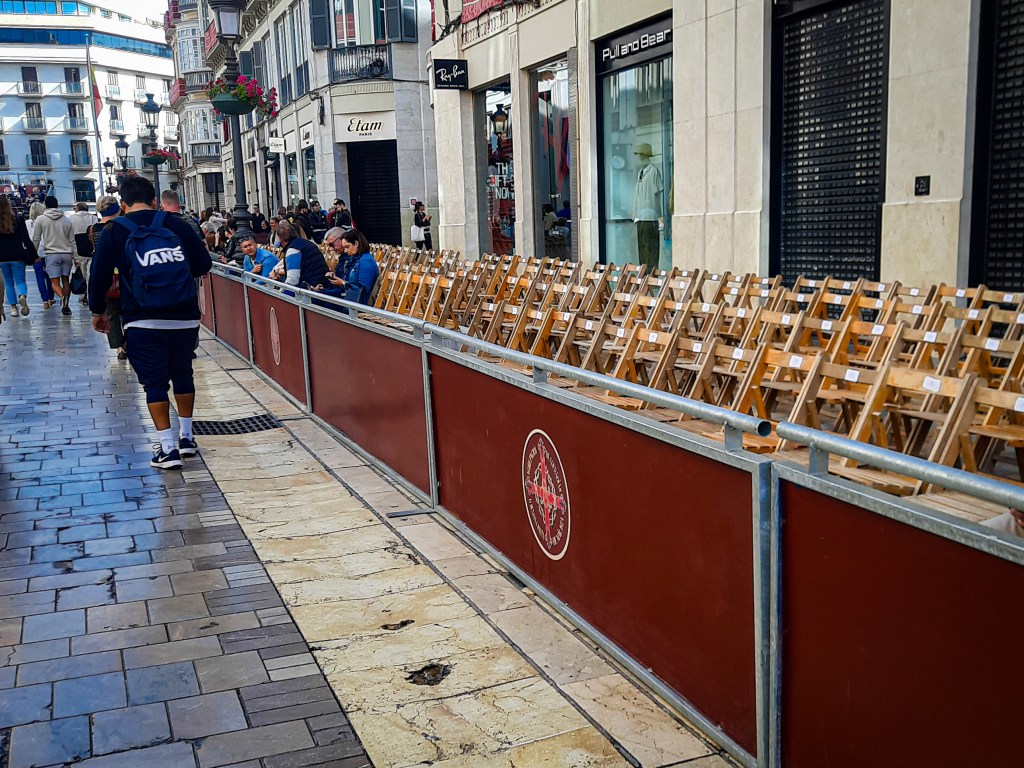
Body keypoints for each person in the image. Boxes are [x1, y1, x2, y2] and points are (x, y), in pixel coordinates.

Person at [88, 175, 212, 470]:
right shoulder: (177, 225)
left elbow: (99, 275)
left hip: (142, 320)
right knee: (183, 373)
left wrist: (98, 311)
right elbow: (203, 264)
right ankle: (186, 438)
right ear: (155, 200)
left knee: (154, 383)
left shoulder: (114, 230)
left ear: (123, 203)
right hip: (184, 318)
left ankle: (167, 449)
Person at [90, 196, 127, 360]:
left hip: (106, 275)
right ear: (118, 208)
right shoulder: (123, 227)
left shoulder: (93, 229)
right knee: (127, 310)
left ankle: (119, 347)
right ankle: (129, 340)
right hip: (124, 274)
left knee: (111, 313)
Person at [32, 196, 76, 315]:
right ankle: (66, 304)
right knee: (66, 280)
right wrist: (76, 257)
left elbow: (36, 238)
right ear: (57, 205)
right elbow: (72, 241)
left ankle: (62, 298)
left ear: (45, 206)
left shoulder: (41, 219)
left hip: (51, 254)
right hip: (67, 254)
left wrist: (33, 254)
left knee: (54, 283)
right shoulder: (67, 220)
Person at [269, 221, 333, 297]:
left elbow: (292, 280)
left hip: (313, 290)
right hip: (322, 285)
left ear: (280, 240)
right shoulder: (304, 243)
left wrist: (279, 294)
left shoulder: (293, 249)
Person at [0, 196, 36, 320]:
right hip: (17, 255)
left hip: (1, 257)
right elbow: (26, 239)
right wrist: (34, 255)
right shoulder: (17, 219)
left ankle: (13, 308)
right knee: (20, 281)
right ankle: (22, 296)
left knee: (8, 282)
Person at [325, 229, 379, 305]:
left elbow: (362, 289)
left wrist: (343, 283)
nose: (345, 251)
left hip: (356, 304)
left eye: (347, 247)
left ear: (356, 244)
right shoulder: (356, 259)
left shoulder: (366, 261)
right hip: (349, 298)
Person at [633, 142, 663, 273]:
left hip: (651, 217)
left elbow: (659, 195)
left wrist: (661, 218)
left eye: (641, 154)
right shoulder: (640, 173)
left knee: (651, 248)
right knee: (642, 248)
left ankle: (651, 275)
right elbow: (637, 196)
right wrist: (635, 215)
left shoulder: (654, 172)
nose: (639, 157)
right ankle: (644, 274)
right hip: (640, 217)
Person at [25, 201, 55, 309]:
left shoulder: (27, 223)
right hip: (48, 251)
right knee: (50, 275)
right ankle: (51, 296)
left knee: (39, 276)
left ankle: (45, 300)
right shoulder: (46, 221)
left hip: (35, 252)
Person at [69, 202, 97, 305]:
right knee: (91, 273)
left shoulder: (71, 218)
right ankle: (90, 294)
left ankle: (82, 295)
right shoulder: (93, 218)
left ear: (77, 209)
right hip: (91, 248)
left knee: (81, 273)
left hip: (78, 248)